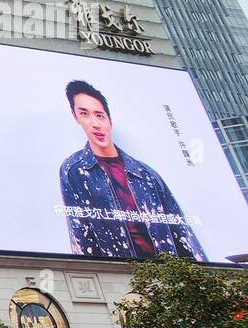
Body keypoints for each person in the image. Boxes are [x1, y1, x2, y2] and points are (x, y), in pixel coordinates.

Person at [58, 80, 206, 261]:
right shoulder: (73, 170)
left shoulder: (147, 175)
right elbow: (80, 237)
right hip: (119, 272)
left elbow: (183, 234)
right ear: (75, 117)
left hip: (166, 271)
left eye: (100, 115)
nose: (95, 123)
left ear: (110, 120)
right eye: (84, 114)